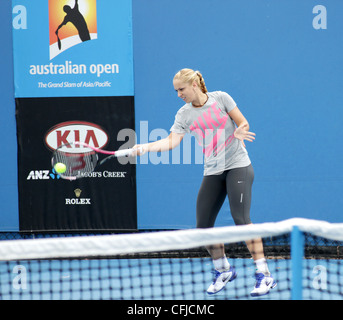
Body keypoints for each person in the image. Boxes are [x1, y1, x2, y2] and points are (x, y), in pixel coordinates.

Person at [133, 68, 276, 297]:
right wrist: (144, 148)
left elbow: (243, 123)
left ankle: (264, 275)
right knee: (203, 228)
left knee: (241, 219)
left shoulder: (221, 98)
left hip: (238, 164)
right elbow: (171, 142)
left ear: (194, 85)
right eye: (176, 91)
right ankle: (223, 270)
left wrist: (240, 131)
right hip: (213, 170)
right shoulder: (183, 114)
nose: (179, 94)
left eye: (181, 89)